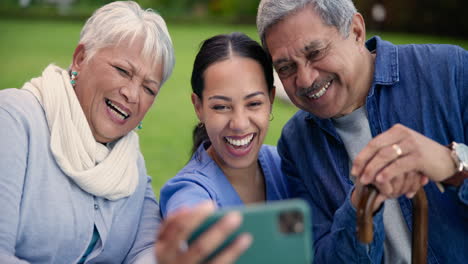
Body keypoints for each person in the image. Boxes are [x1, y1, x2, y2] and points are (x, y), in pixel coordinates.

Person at [0, 1, 249, 263]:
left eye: (149, 89)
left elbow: (148, 252)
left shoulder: (131, 165)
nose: (132, 94)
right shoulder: (14, 120)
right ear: (81, 58)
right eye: (122, 71)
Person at [257, 0, 467, 263]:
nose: (306, 80)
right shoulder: (296, 142)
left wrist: (453, 163)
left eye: (315, 53)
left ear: (356, 31)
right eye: (286, 68)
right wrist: (360, 203)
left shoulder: (450, 71)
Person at [159, 32, 289, 217]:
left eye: (253, 104)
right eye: (221, 107)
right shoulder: (188, 190)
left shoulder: (288, 166)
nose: (239, 124)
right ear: (198, 107)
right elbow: (186, 215)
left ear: (271, 100)